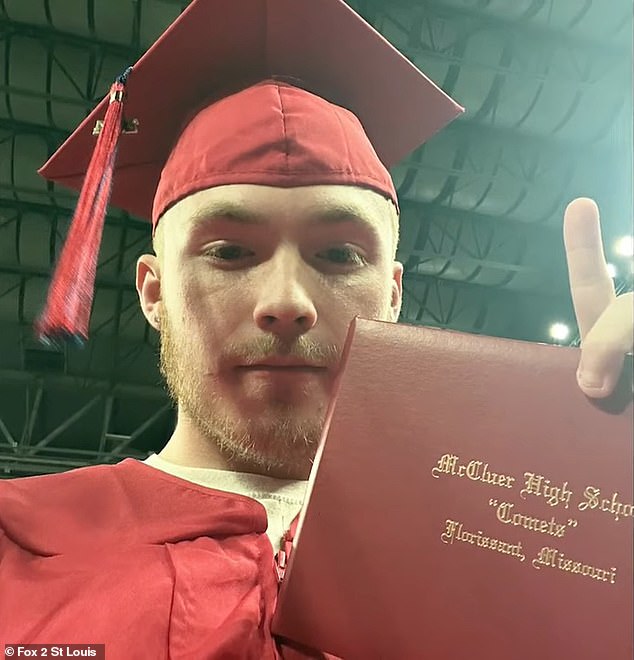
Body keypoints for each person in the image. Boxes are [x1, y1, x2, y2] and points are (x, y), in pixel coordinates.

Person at [0, 0, 631, 658]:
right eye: (230, 252)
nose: (286, 301)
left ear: (392, 294)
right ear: (153, 292)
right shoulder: (14, 547)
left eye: (338, 255)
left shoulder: (527, 574)